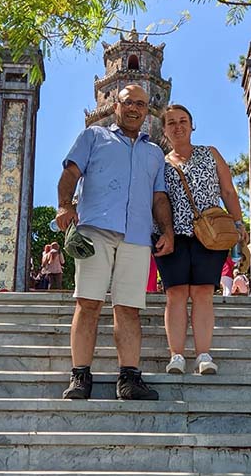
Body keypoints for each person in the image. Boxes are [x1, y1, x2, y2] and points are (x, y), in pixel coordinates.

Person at [56, 84, 174, 401]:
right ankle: (80, 375)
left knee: (129, 309)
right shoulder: (93, 137)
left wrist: (167, 230)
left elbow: (159, 196)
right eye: (128, 102)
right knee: (88, 302)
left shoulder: (154, 153)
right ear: (115, 105)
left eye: (141, 104)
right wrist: (66, 205)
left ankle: (129, 378)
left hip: (137, 235)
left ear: (147, 110)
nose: (134, 108)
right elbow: (70, 173)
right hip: (96, 229)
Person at [154, 104, 247, 376]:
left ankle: (204, 354)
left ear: (192, 126)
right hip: (172, 234)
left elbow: (228, 190)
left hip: (210, 233)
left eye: (183, 121)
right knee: (175, 294)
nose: (178, 126)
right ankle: (177, 355)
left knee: (204, 292)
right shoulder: (159, 162)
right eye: (171, 123)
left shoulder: (210, 154)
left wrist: (238, 222)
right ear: (164, 130)